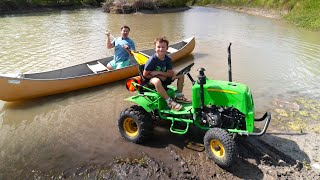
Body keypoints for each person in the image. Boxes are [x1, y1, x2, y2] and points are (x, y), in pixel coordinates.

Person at [143, 37, 191, 111]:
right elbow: (145, 75)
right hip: (151, 79)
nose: (161, 49)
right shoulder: (152, 60)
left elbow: (170, 74)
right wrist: (158, 76)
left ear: (167, 48)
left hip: (162, 76)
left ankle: (178, 96)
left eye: (163, 47)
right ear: (155, 48)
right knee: (157, 81)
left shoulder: (168, 59)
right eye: (158, 47)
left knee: (181, 75)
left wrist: (159, 73)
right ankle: (169, 101)